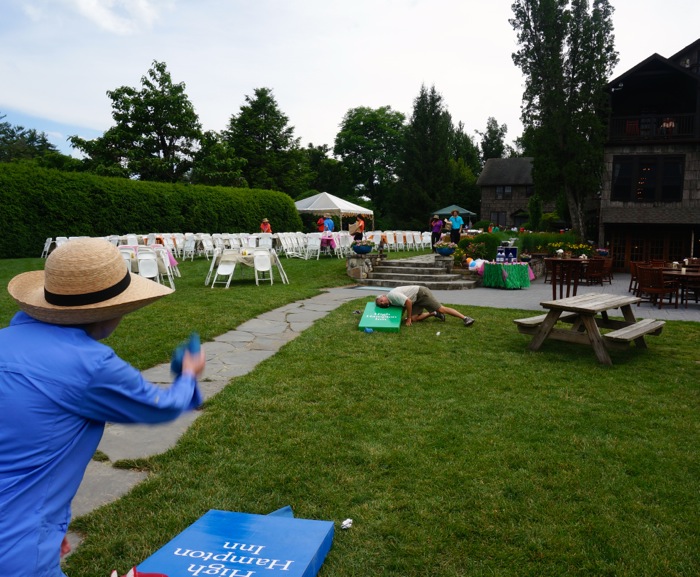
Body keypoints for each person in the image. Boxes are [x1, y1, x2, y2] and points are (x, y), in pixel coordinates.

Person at [0, 238, 206, 575]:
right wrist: (187, 376)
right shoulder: (89, 364)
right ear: (110, 313)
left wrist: (50, 522)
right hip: (16, 547)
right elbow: (161, 406)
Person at [375, 285, 475, 327]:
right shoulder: (391, 302)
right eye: (381, 304)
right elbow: (404, 306)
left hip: (421, 293)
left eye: (381, 300)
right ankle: (434, 313)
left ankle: (465, 318)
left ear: (384, 296)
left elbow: (408, 302)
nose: (383, 303)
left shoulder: (392, 295)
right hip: (415, 300)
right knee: (415, 319)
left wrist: (408, 318)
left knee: (442, 308)